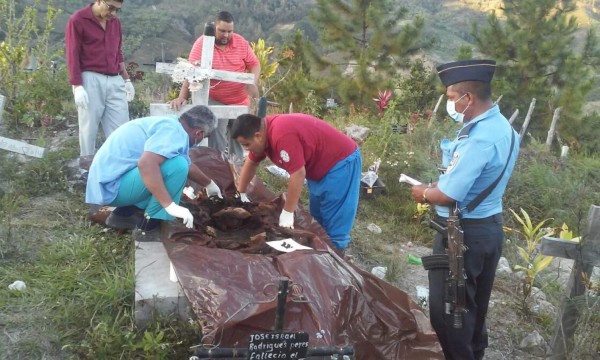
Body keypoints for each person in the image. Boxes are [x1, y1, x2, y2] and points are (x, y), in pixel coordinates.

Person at [410, 59, 520, 360]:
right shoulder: (505, 130)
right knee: (474, 309)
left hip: (461, 236)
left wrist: (423, 193)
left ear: (467, 98)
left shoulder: (478, 139)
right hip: (489, 229)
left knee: (450, 315)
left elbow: (447, 194)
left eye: (450, 98)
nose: (451, 104)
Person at [85, 105, 223, 242]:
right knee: (177, 166)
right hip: (112, 187)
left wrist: (209, 184)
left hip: (108, 183)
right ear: (198, 133)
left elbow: (189, 165)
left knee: (177, 164)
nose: (200, 141)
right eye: (205, 137)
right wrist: (170, 206)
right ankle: (147, 228)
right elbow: (146, 164)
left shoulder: (172, 125)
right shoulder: (175, 132)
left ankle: (123, 215)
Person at [231, 113, 362, 254]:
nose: (246, 149)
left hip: (340, 163)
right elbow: (251, 163)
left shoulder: (281, 136)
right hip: (318, 167)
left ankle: (336, 257)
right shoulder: (264, 134)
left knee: (335, 218)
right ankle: (321, 251)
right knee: (318, 217)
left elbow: (298, 174)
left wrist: (288, 212)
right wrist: (241, 192)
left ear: (258, 136)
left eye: (246, 145)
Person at [170, 11, 261, 164]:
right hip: (215, 97)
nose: (226, 35)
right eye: (222, 31)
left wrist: (252, 82)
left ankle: (237, 173)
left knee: (240, 136)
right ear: (215, 27)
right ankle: (216, 169)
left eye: (230, 31)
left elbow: (254, 64)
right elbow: (191, 72)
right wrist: (182, 97)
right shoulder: (202, 44)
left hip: (239, 99)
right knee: (217, 134)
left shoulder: (240, 43)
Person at [65, 0, 135, 165]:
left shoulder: (115, 23)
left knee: (121, 127)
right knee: (88, 127)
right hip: (90, 77)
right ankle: (86, 168)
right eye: (110, 8)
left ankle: (117, 166)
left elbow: (118, 52)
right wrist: (77, 86)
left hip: (114, 78)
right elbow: (72, 53)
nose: (113, 13)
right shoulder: (78, 20)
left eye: (118, 10)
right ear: (98, 1)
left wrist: (126, 79)